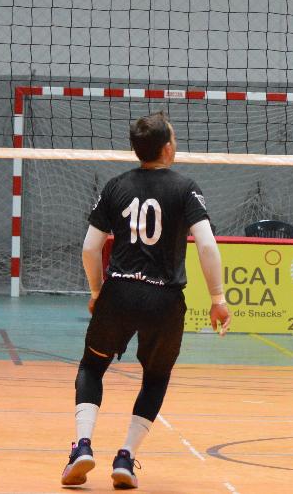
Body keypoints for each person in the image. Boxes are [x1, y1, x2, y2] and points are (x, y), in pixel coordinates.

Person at [61, 112, 230, 490]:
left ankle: (82, 447)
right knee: (155, 378)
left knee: (92, 367)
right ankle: (125, 456)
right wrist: (217, 298)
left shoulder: (115, 186)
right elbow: (206, 244)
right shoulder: (186, 188)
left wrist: (95, 292)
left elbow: (90, 247)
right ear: (168, 146)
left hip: (118, 292)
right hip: (164, 299)